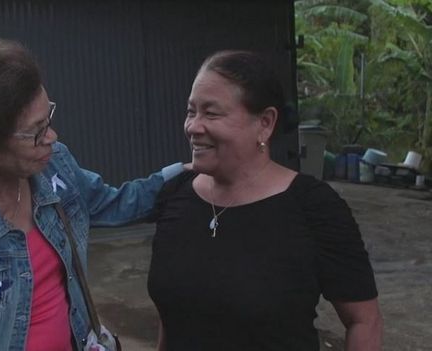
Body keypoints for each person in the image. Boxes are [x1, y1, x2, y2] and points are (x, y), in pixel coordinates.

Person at [0, 40, 183, 351]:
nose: (51, 138)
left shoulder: (55, 167)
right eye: (37, 130)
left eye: (49, 121)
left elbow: (116, 204)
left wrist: (186, 174)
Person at [147, 50, 383, 350]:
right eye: (191, 111)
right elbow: (173, 318)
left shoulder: (313, 207)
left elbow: (365, 321)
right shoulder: (175, 195)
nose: (193, 126)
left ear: (265, 123)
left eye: (211, 113)